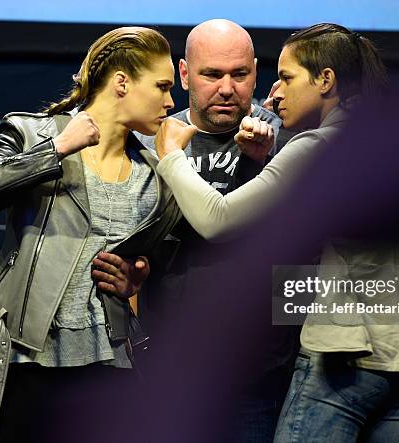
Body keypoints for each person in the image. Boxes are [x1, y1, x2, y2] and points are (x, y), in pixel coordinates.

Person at [154, 23, 399, 442]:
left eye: (286, 78)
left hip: (340, 356)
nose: (276, 92)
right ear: (186, 74)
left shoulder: (313, 146)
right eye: (212, 75)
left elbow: (217, 220)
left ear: (325, 80)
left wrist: (170, 157)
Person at [0, 26, 181, 441]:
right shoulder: (32, 132)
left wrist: (137, 277)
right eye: (162, 86)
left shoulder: (156, 175)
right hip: (26, 361)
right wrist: (57, 149)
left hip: (109, 364)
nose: (171, 102)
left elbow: (158, 261)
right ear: (122, 83)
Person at [135, 19, 295, 442]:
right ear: (185, 74)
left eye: (239, 75)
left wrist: (261, 162)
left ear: (256, 73)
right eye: (212, 74)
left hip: (259, 372)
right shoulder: (151, 140)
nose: (227, 88)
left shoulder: (289, 136)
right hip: (168, 369)